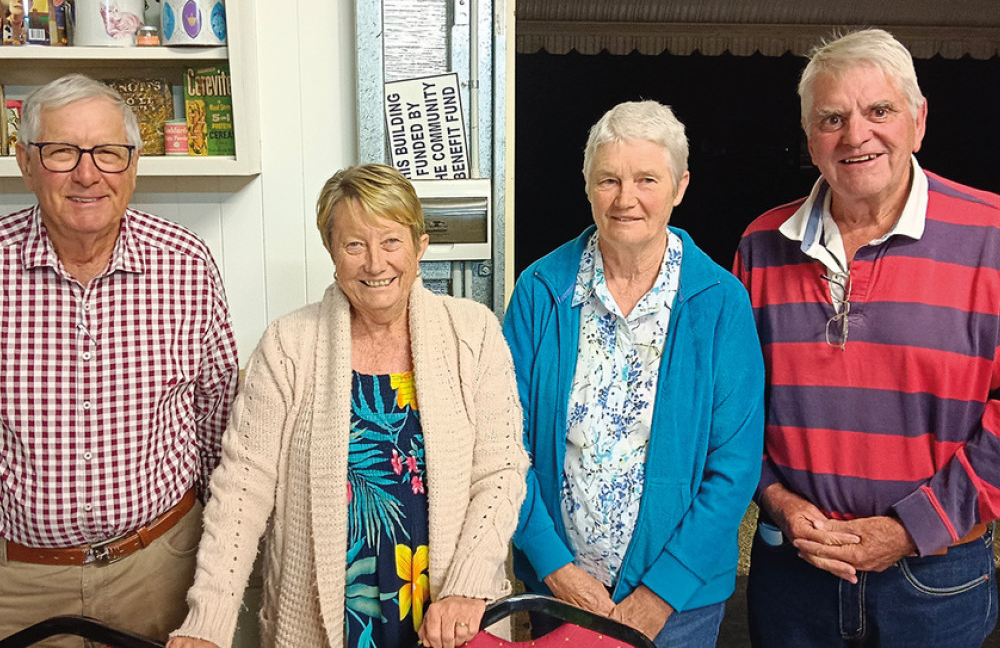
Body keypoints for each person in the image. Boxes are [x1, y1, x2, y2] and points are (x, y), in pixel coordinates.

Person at [167, 163, 528, 648]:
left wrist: (468, 584)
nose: (375, 263)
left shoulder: (474, 332)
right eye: (355, 244)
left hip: (449, 614)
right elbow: (240, 491)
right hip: (324, 617)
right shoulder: (289, 344)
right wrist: (207, 623)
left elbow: (501, 471)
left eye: (391, 242)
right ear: (332, 253)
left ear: (420, 247)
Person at [735, 28, 1000, 647]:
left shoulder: (992, 236)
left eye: (878, 110)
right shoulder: (760, 245)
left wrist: (911, 528)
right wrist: (774, 498)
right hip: (794, 575)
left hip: (936, 579)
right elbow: (733, 407)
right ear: (810, 139)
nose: (856, 135)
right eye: (833, 118)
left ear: (918, 119)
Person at [503, 100, 765, 647]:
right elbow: (505, 446)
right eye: (609, 180)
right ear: (587, 185)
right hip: (563, 593)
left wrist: (658, 596)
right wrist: (555, 569)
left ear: (680, 186)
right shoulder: (540, 291)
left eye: (647, 178)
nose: (626, 199)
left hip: (680, 606)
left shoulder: (720, 303)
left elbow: (735, 467)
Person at [0, 74, 239, 645]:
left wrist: (211, 552)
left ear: (133, 164)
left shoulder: (185, 262)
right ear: (25, 161)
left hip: (160, 568)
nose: (88, 174)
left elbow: (219, 412)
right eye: (62, 152)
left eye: (108, 152)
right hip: (20, 580)